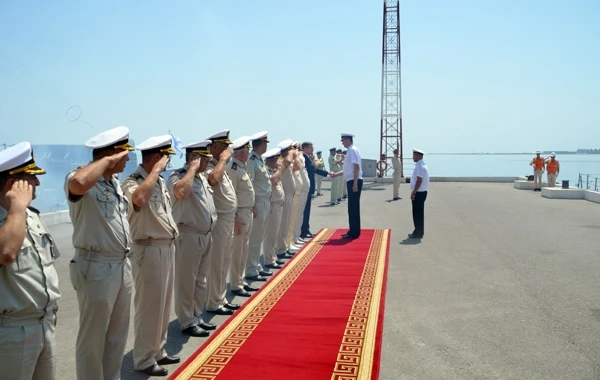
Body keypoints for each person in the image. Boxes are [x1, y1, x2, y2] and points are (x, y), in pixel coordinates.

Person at [65, 126, 134, 380]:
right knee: (93, 341)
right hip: (95, 266)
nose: (127, 159)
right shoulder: (80, 177)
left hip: (120, 264)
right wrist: (106, 160)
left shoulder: (114, 184)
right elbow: (78, 184)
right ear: (112, 153)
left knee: (116, 337)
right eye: (124, 153)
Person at [0, 142, 61, 380]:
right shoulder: (18, 214)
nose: (37, 183)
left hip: (43, 324)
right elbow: (6, 253)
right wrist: (16, 208)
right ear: (11, 183)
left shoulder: (31, 216)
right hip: (11, 332)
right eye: (31, 178)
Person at [121, 135, 180, 376]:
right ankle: (144, 359)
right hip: (147, 248)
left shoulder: (158, 181)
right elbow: (139, 200)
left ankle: (158, 350)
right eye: (165, 159)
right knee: (149, 307)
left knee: (163, 305)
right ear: (157, 158)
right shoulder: (132, 181)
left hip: (165, 247)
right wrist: (155, 171)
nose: (167, 164)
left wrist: (156, 174)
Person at [167, 140, 217, 338]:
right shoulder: (178, 176)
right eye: (205, 158)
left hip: (205, 234)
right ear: (193, 158)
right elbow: (180, 192)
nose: (208, 162)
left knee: (200, 280)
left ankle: (196, 316)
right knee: (186, 281)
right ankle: (187, 321)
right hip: (188, 235)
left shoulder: (202, 178)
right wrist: (192, 169)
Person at [204, 130, 244, 310]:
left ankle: (220, 299)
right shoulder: (211, 166)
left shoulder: (222, 165)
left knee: (225, 261)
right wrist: (222, 160)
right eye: (224, 146)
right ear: (213, 148)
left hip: (228, 219)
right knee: (217, 262)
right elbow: (213, 180)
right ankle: (214, 301)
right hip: (219, 220)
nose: (228, 149)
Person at [245, 131, 273, 279]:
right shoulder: (252, 160)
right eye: (265, 143)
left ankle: (256, 265)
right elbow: (250, 183)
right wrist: (253, 205)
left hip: (265, 202)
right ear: (261, 144)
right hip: (258, 203)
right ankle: (251, 269)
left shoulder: (259, 159)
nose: (266, 146)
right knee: (255, 238)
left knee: (260, 237)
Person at [331, 133, 363, 239]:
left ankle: (354, 232)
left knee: (353, 207)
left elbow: (356, 167)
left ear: (347, 140)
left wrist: (354, 183)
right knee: (352, 207)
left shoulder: (353, 150)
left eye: (343, 141)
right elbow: (347, 170)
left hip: (354, 180)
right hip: (351, 180)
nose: (342, 143)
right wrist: (336, 174)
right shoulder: (350, 151)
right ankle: (353, 230)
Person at [262, 148, 286, 269]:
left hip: (277, 204)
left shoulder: (272, 170)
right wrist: (278, 169)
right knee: (270, 234)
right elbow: (274, 181)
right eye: (277, 160)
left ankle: (273, 256)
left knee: (274, 234)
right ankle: (269, 259)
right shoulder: (268, 170)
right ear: (272, 161)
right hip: (272, 205)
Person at [300, 141, 329, 239]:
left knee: (307, 210)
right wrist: (328, 173)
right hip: (305, 188)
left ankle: (306, 229)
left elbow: (313, 168)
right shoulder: (304, 157)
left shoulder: (308, 158)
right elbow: (313, 169)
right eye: (311, 148)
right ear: (306, 148)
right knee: (305, 210)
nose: (313, 150)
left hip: (309, 187)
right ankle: (303, 231)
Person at [275, 139, 297, 258]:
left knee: (286, 224)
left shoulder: (286, 161)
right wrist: (291, 153)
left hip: (288, 195)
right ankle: (280, 249)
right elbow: (288, 160)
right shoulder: (281, 161)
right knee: (282, 224)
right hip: (283, 196)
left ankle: (283, 247)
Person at [409, 149, 430, 239]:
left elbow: (419, 181)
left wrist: (414, 192)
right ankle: (418, 231)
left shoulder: (420, 166)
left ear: (418, 155)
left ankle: (418, 232)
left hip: (419, 193)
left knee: (417, 214)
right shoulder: (421, 165)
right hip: (421, 192)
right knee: (419, 213)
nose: (413, 157)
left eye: (414, 155)